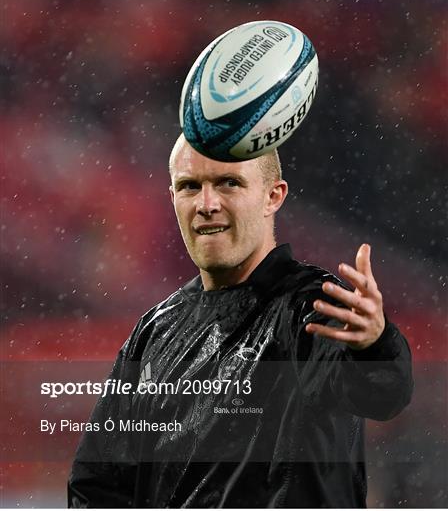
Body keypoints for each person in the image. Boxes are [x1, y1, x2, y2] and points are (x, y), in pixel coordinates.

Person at [68, 134, 413, 508]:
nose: (206, 204)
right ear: (172, 199)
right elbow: (97, 487)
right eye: (189, 186)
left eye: (228, 183)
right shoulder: (154, 331)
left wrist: (374, 346)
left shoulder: (313, 306)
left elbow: (381, 395)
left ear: (273, 196)